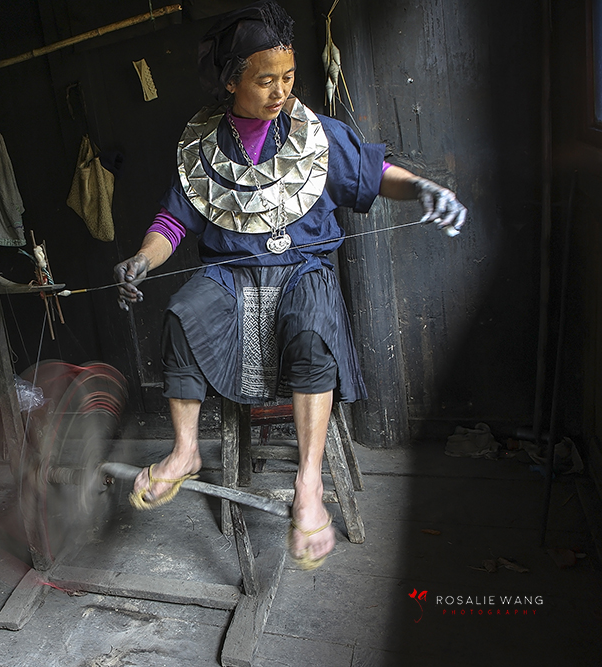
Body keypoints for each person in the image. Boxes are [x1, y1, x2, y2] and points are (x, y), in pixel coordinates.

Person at [113, 0, 467, 570]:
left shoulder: (314, 135)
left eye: (288, 77)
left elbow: (376, 173)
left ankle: (309, 482)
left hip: (303, 269)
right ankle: (185, 451)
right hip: (231, 275)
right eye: (265, 80)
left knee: (311, 327)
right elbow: (173, 222)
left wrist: (421, 188)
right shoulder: (201, 146)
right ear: (232, 81)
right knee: (182, 312)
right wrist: (142, 259)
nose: (280, 91)